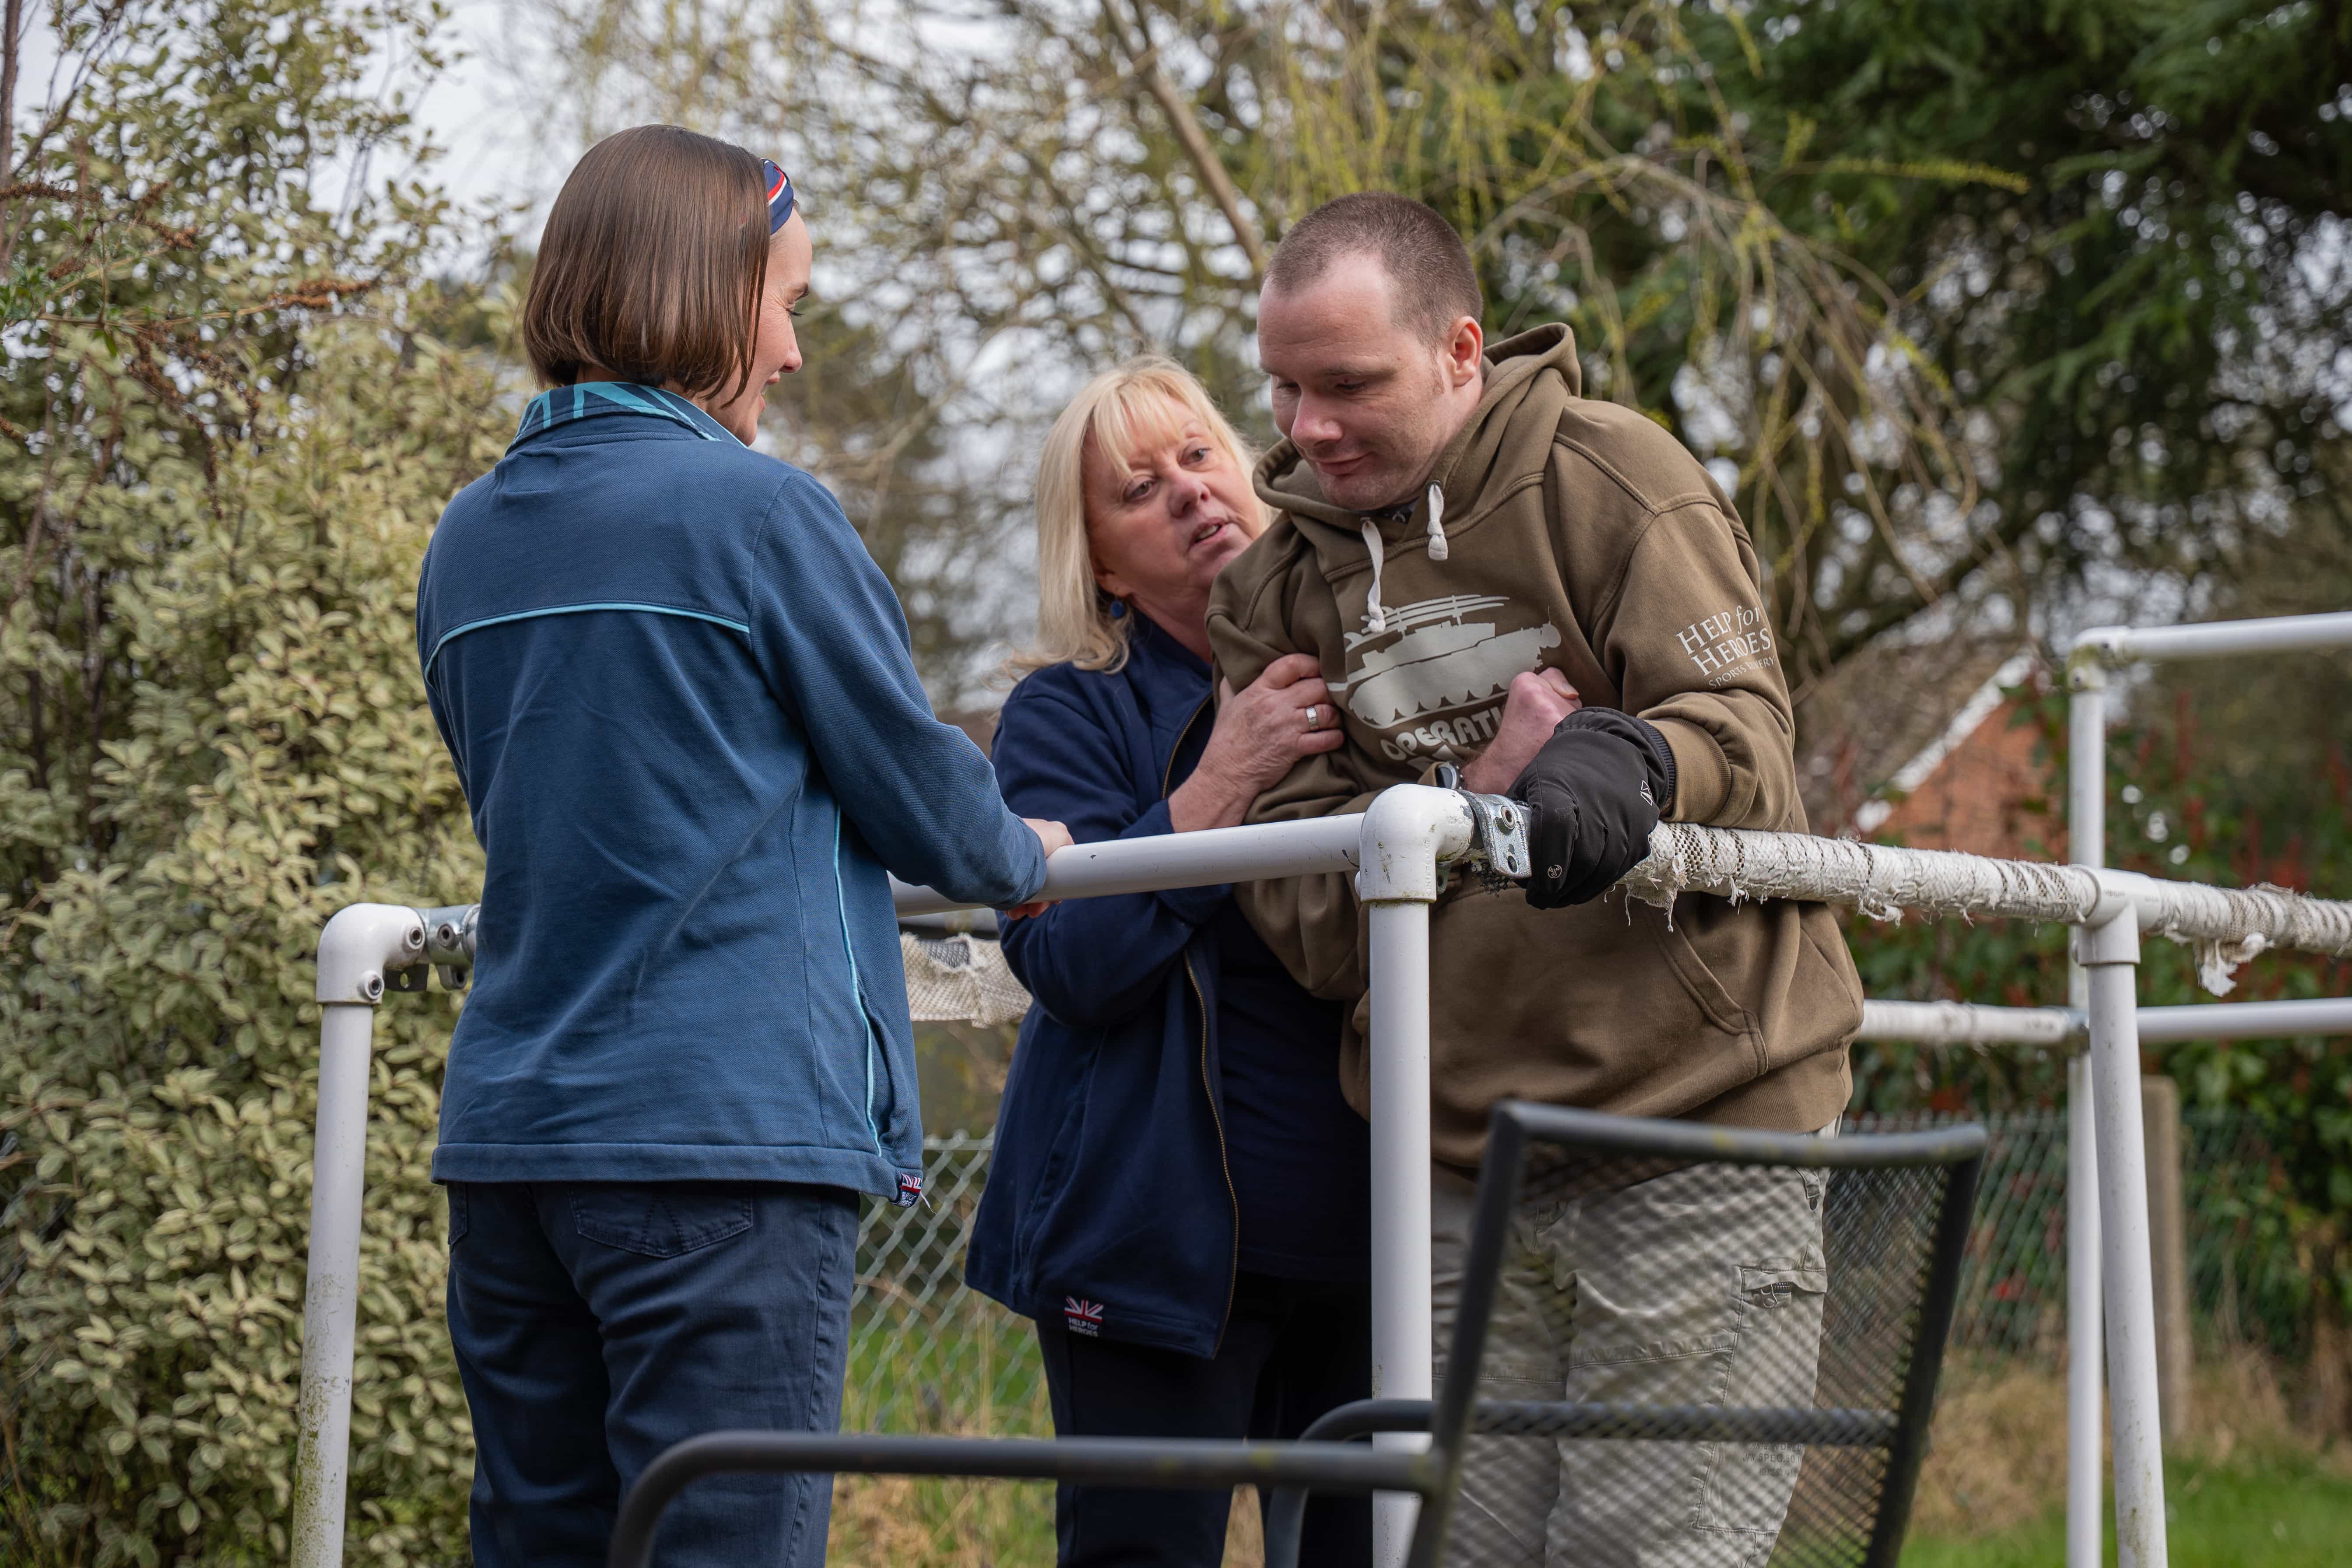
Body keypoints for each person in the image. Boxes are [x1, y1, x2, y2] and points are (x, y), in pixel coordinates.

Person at [413, 125, 1068, 1568]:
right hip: (720, 1148)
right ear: (705, 295)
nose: (786, 351)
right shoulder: (758, 515)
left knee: (544, 1542)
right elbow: (925, 806)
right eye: (785, 305)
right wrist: (1031, 848)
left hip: (516, 1144)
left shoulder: (468, 541)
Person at [1206, 193, 1867, 1567]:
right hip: (1453, 1165)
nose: (1306, 426)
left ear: (1459, 351)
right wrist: (1481, 799)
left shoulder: (1613, 477)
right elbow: (1320, 929)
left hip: (1694, 1127)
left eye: (1347, 384)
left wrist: (1625, 760)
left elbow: (1741, 729)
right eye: (1281, 386)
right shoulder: (1276, 587)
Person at [966, 358, 1375, 1566]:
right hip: (1147, 1253)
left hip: (1371, 1243)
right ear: (1099, 565)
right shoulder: (1065, 716)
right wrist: (1220, 783)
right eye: (1140, 490)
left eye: (1200, 456)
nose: (1193, 495)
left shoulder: (1366, 655)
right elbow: (1073, 963)